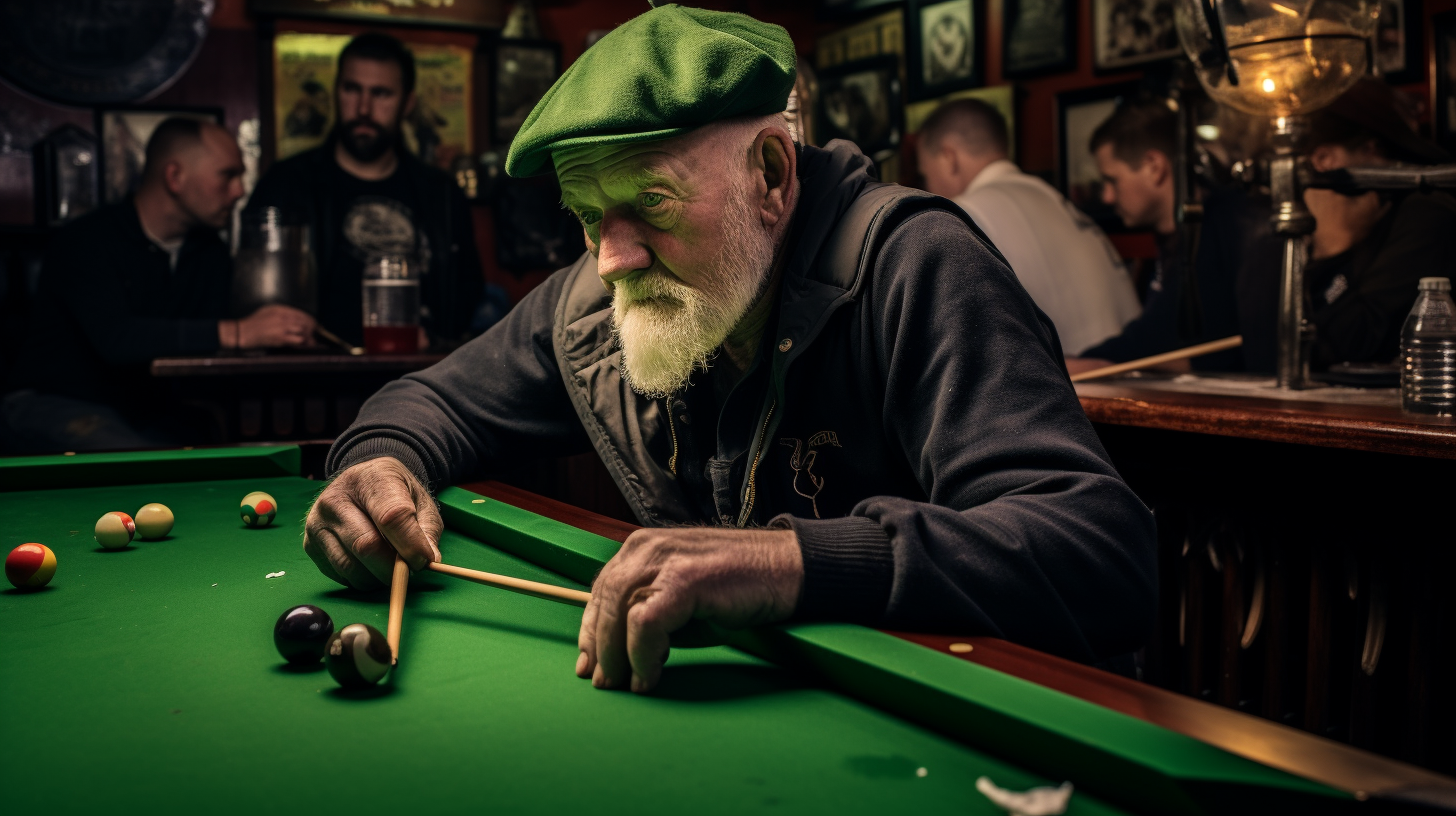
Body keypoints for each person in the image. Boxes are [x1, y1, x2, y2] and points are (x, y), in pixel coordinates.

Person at [300, 6, 1157, 692]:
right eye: (592, 215)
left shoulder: (919, 264)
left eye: (652, 203)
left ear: (773, 175)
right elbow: (432, 401)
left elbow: (1100, 552)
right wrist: (380, 462)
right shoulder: (605, 292)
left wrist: (790, 563)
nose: (612, 257)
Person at [1, 119, 317, 454]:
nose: (240, 191)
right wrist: (241, 332)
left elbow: (213, 334)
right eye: (228, 175)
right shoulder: (87, 241)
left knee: (225, 456)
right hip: (53, 403)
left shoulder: (208, 251)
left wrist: (280, 331)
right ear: (175, 177)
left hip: (144, 412)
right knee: (144, 459)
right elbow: (116, 339)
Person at [246, 33, 484, 350]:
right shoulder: (288, 183)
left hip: (416, 380)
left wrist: (436, 343)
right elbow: (254, 305)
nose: (363, 108)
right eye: (351, 89)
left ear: (407, 103)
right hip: (310, 380)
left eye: (381, 94)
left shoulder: (440, 194)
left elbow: (465, 297)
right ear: (336, 92)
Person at [1241, 79, 1456, 371]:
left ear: (1325, 160)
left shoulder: (1425, 214)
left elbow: (1356, 345)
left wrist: (1332, 247)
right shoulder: (1287, 228)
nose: (1391, 166)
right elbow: (1262, 344)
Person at [916, 98, 1140, 356]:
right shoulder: (1055, 200)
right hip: (1134, 375)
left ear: (949, 158)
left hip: (1072, 389)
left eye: (925, 174)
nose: (928, 185)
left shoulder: (963, 215)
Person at [1070, 97, 1265, 373]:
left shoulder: (1225, 230)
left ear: (1154, 166)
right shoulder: (1180, 237)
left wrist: (1086, 364)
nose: (1107, 196)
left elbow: (1205, 350)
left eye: (1112, 180)